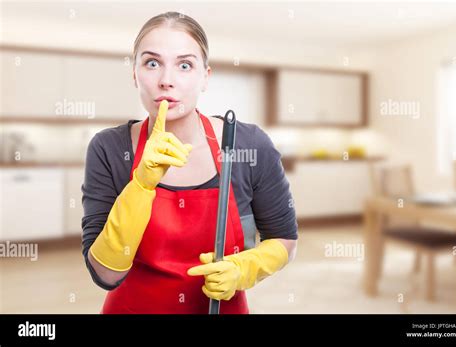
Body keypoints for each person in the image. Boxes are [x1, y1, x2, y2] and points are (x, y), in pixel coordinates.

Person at [81, 11, 298, 314]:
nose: (166, 81)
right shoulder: (109, 148)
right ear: (134, 74)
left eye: (184, 65)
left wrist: (245, 267)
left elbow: (284, 240)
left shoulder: (249, 144)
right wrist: (141, 186)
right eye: (152, 63)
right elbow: (106, 274)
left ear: (205, 77)